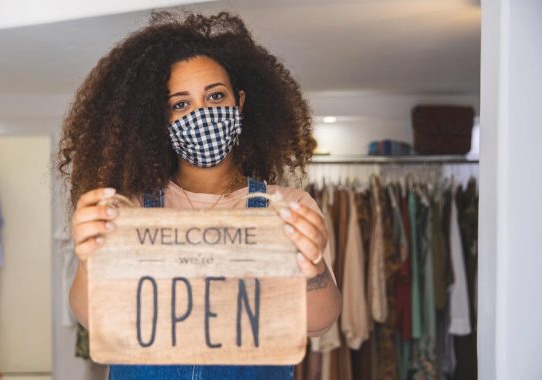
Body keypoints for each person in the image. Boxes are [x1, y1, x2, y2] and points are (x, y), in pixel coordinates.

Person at [58, 11, 342, 379]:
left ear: (238, 104)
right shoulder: (130, 210)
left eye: (215, 96)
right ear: (159, 120)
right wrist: (89, 259)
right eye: (180, 104)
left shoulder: (288, 209)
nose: (201, 114)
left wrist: (313, 267)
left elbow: (320, 323)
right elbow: (95, 319)